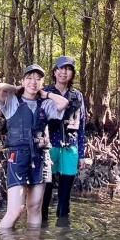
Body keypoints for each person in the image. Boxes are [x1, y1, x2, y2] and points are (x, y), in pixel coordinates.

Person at [0, 64, 69, 230]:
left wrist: (46, 93)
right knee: (15, 210)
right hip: (18, 157)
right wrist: (18, 88)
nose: (33, 82)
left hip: (41, 157)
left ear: (42, 83)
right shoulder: (12, 101)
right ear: (23, 80)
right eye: (29, 78)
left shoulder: (46, 104)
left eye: (38, 79)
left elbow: (63, 103)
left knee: (35, 208)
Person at [41, 56, 87, 224]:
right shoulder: (45, 92)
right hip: (49, 148)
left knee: (65, 195)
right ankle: (42, 229)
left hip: (70, 147)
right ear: (54, 72)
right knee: (45, 192)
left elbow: (82, 125)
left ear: (72, 74)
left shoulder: (77, 96)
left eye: (68, 69)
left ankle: (62, 234)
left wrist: (82, 154)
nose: (63, 72)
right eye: (60, 68)